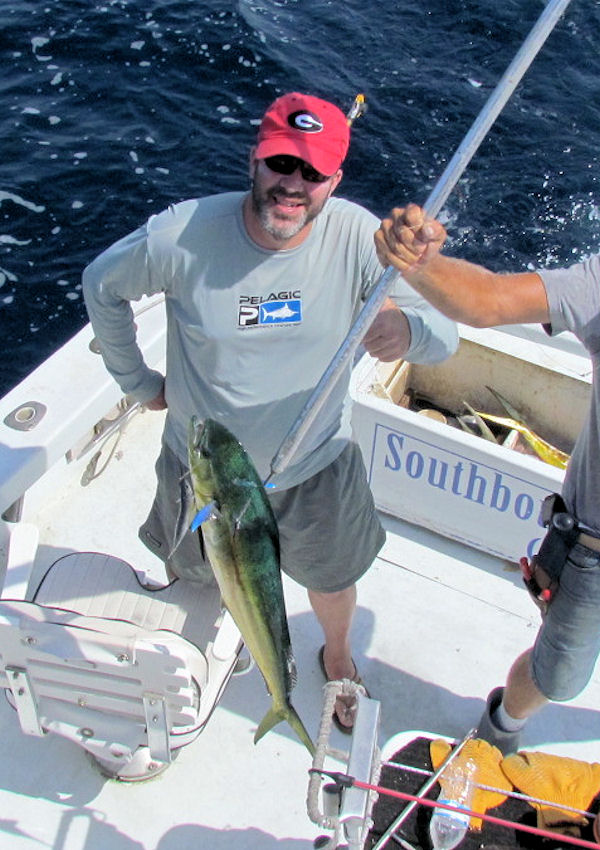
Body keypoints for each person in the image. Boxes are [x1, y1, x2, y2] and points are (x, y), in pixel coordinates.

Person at [82, 94, 458, 733]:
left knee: (333, 584)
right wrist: (139, 382)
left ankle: (336, 657)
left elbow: (445, 333)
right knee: (196, 577)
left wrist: (406, 332)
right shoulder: (182, 236)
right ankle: (200, 647)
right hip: (204, 477)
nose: (294, 184)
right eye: (282, 162)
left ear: (334, 183)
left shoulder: (361, 240)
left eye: (313, 173)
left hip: (316, 466)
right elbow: (101, 284)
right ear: (254, 160)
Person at [375, 201, 600, 752]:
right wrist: (420, 263)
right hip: (593, 550)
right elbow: (490, 300)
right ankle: (500, 728)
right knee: (558, 677)